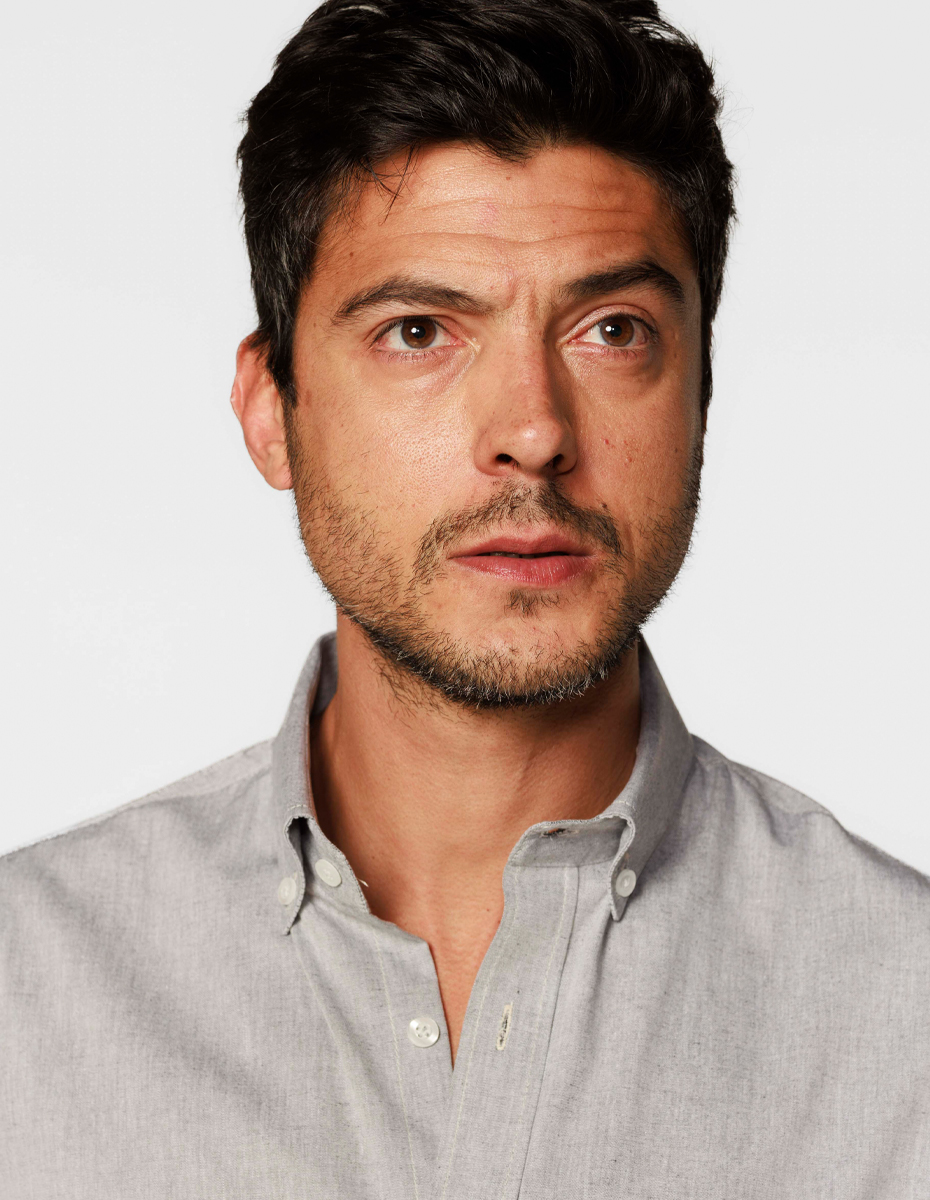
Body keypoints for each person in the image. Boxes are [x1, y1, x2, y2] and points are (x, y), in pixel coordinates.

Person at [2, 0, 928, 1194]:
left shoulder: (902, 1021)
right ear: (272, 409)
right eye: (419, 331)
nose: (533, 432)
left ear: (702, 394)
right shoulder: (29, 995)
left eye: (612, 330)